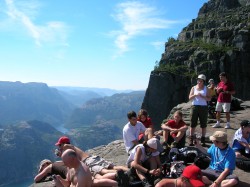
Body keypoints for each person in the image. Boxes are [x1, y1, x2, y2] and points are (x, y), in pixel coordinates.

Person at [55, 136, 129, 175]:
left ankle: (123, 174)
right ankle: (129, 171)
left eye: (59, 145)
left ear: (64, 143)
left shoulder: (66, 147)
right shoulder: (72, 147)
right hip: (93, 157)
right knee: (114, 167)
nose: (59, 147)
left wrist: (60, 153)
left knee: (104, 171)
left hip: (89, 162)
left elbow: (67, 158)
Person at [188, 74, 211, 146]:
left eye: (200, 81)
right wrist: (195, 95)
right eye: (198, 80)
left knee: (203, 124)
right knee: (192, 123)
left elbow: (209, 98)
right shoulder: (193, 88)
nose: (199, 82)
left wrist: (203, 96)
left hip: (203, 107)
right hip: (194, 106)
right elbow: (190, 98)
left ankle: (203, 140)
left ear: (203, 81)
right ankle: (191, 139)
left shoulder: (206, 88)